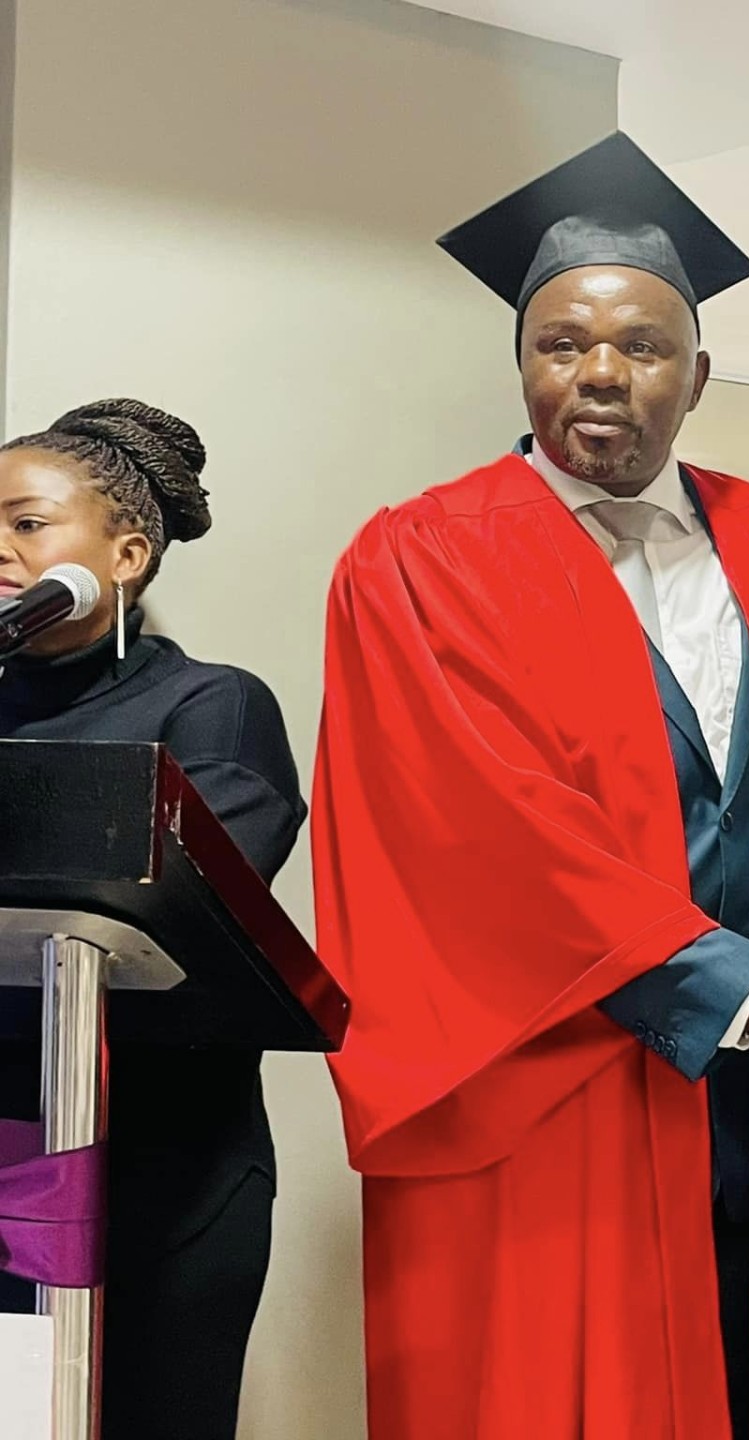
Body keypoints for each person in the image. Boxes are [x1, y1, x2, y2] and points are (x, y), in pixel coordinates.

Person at [311, 133, 749, 1440]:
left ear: (697, 374)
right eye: (562, 342)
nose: (600, 372)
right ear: (523, 364)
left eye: (643, 345)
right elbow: (484, 842)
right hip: (559, 1092)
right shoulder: (420, 559)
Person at [0, 399, 306, 1439]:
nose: (0, 547)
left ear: (127, 555)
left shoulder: (210, 706)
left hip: (165, 1172)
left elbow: (196, 893)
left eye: (27, 523)